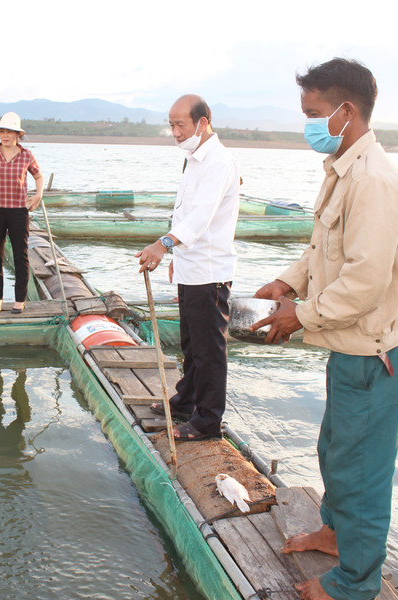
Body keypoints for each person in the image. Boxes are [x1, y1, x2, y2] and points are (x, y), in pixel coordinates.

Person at [251, 58, 398, 600]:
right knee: (335, 449)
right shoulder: (343, 169)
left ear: (346, 112)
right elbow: (321, 251)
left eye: (314, 114)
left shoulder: (373, 180)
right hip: (348, 343)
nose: (308, 125)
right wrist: (286, 283)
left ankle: (355, 583)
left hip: (376, 351)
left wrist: (298, 315)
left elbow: (364, 282)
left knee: (363, 469)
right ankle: (333, 533)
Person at [135, 94, 240, 442]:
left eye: (180, 124)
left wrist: (163, 244)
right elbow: (183, 212)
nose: (175, 132)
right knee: (191, 343)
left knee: (209, 348)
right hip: (190, 267)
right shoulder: (194, 159)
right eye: (172, 125)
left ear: (203, 122)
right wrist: (176, 259)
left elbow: (200, 217)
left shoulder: (218, 162)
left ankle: (207, 421)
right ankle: (187, 398)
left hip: (209, 272)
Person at [0, 112, 44, 314]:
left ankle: (19, 300)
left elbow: (39, 177)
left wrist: (38, 195)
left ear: (17, 135)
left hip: (18, 212)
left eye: (9, 132)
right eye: (2, 131)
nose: (5, 135)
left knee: (21, 255)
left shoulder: (27, 155)